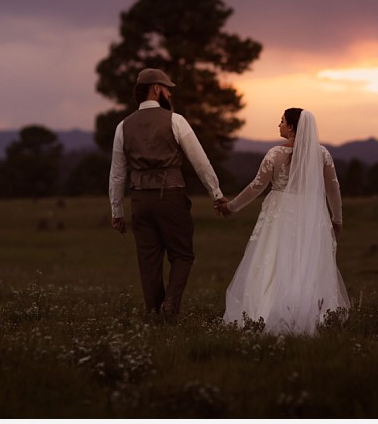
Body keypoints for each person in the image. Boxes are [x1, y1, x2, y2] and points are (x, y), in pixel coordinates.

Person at [216, 108, 349, 335]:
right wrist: (337, 218)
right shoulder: (322, 154)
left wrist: (231, 207)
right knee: (304, 261)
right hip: (310, 214)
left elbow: (256, 187)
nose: (278, 125)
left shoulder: (274, 154)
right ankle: (308, 311)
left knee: (274, 259)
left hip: (279, 213)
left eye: (281, 121)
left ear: (291, 128)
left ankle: (265, 310)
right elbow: (333, 189)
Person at [109, 68, 224, 321]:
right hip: (170, 197)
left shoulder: (123, 126)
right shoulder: (175, 120)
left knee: (148, 260)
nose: (170, 93)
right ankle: (170, 305)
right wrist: (216, 193)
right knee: (182, 255)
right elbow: (200, 161)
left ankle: (154, 314)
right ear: (156, 89)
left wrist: (117, 211)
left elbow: (117, 173)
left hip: (139, 200)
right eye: (167, 88)